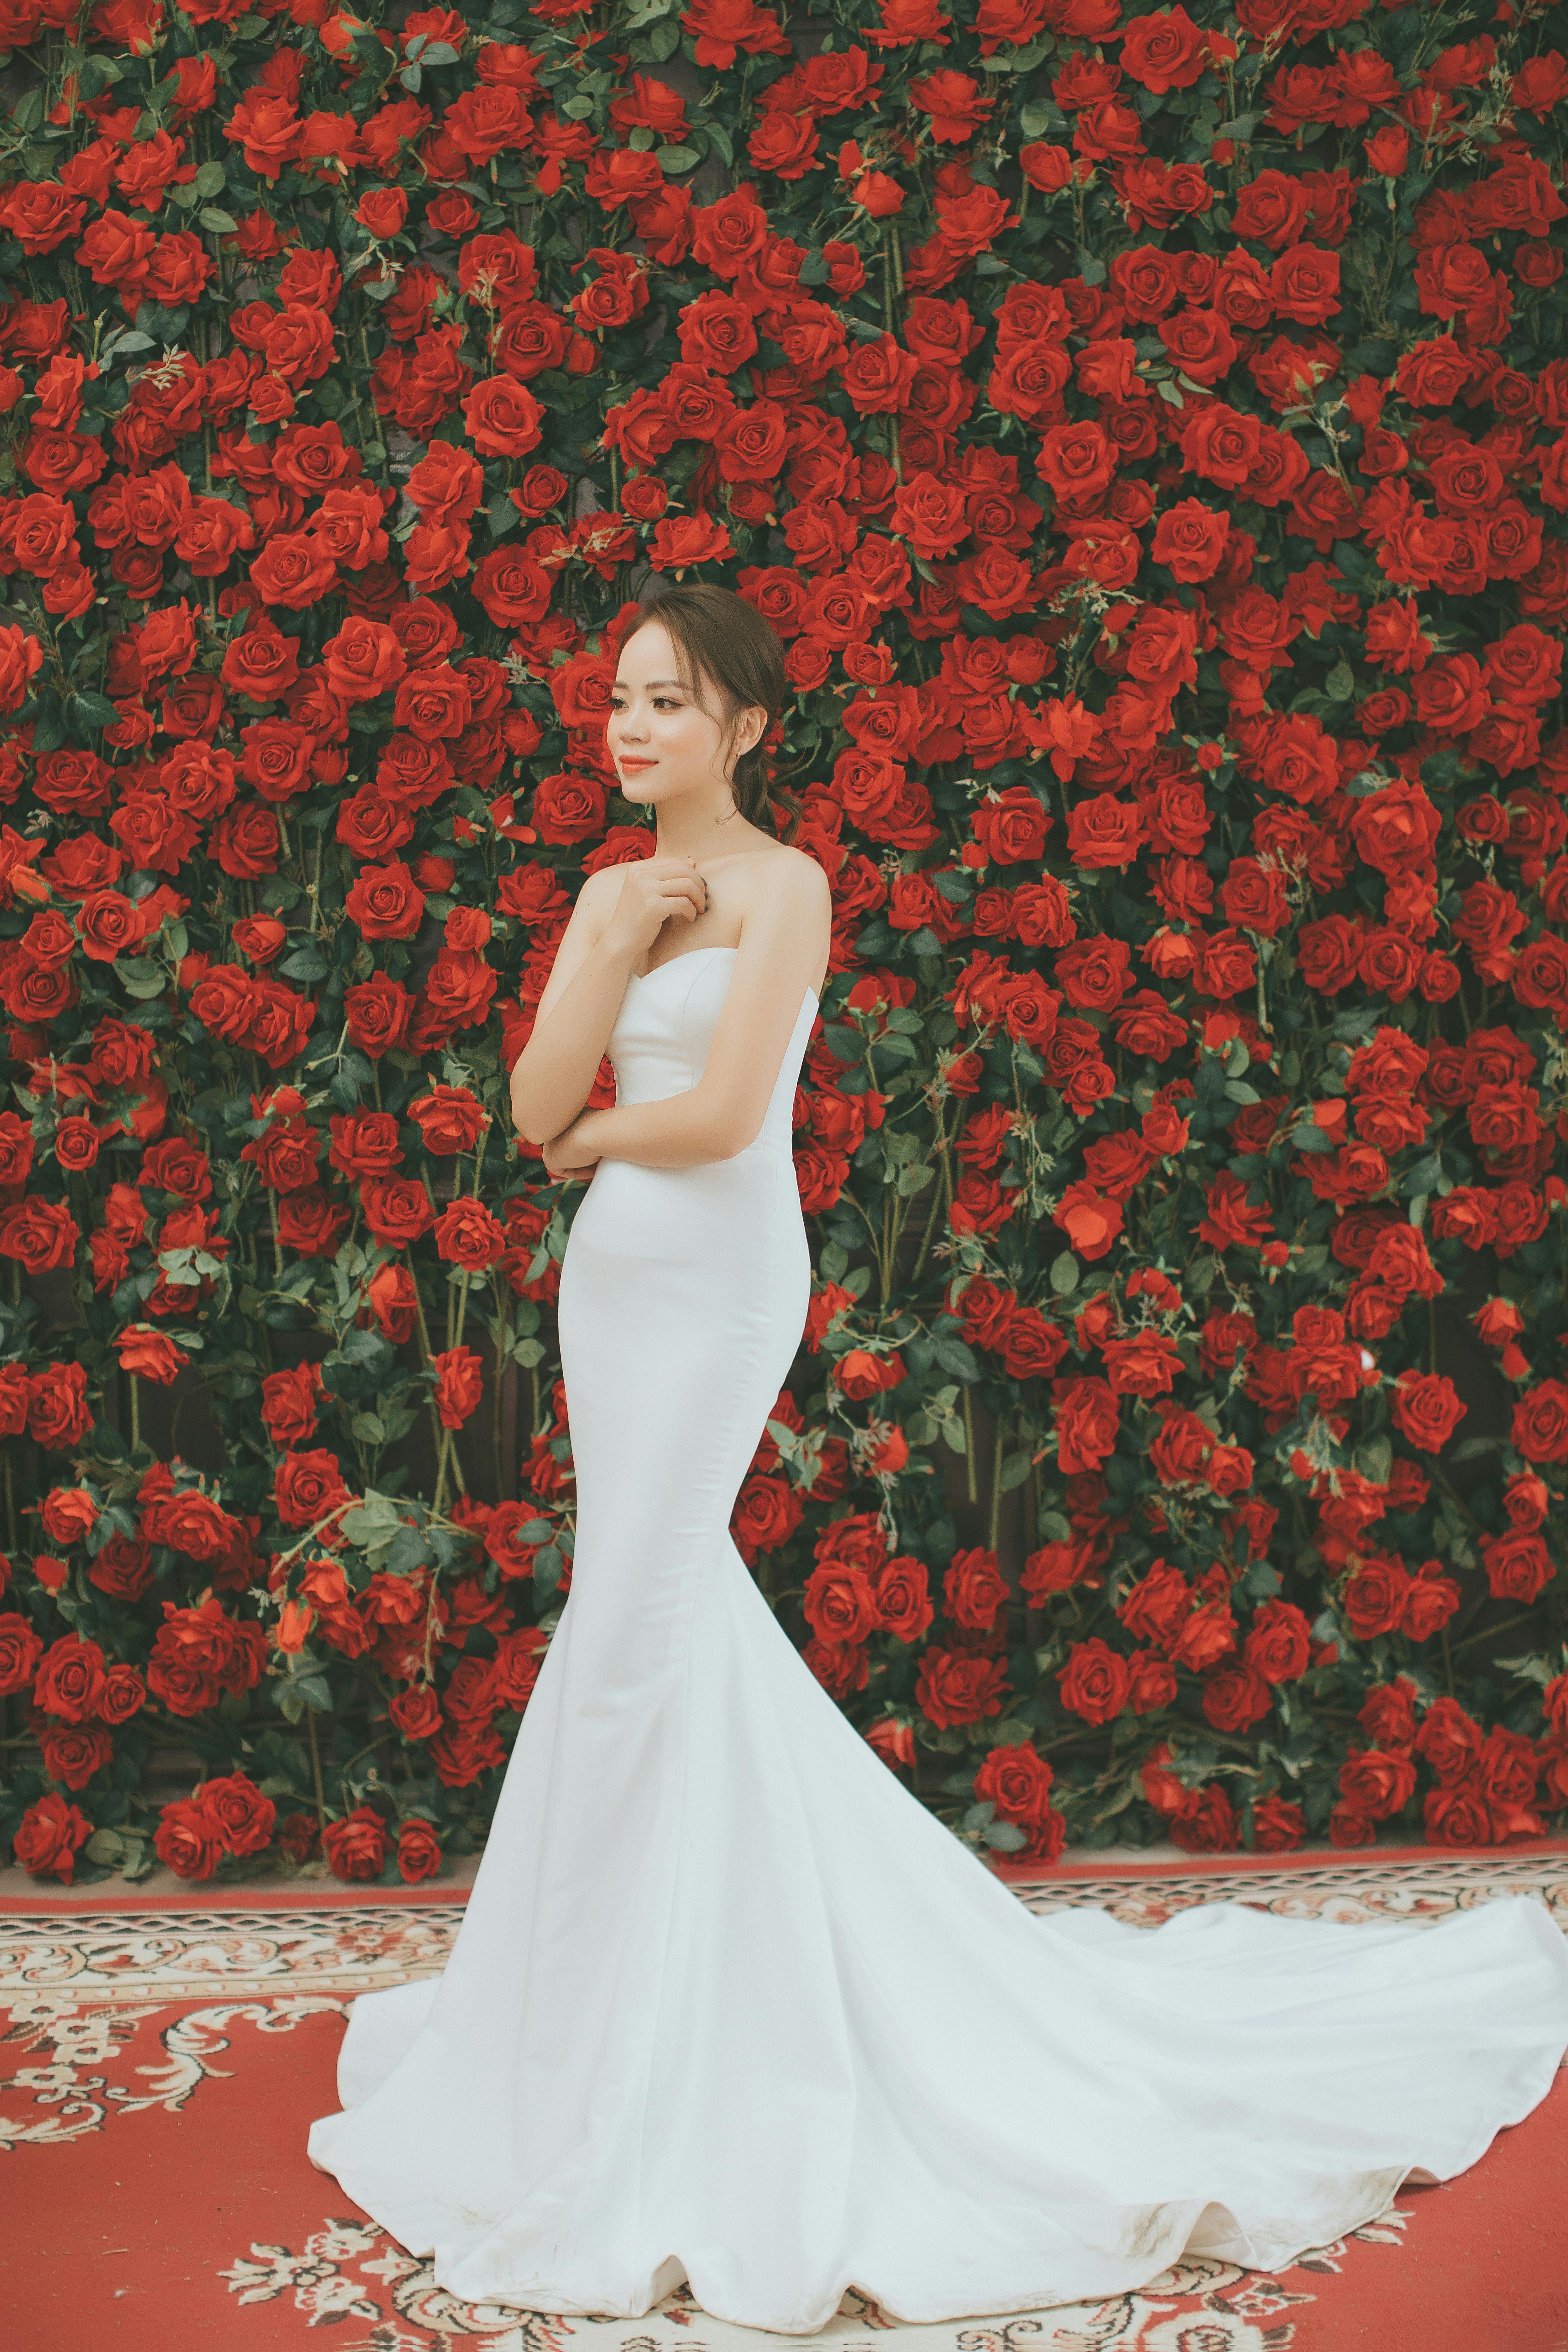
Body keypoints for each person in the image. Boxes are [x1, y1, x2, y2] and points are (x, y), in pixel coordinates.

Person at [307, 584, 1568, 2336]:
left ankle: (669, 2050)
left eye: (671, 704)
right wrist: (604, 950)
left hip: (724, 1283)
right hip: (617, 1292)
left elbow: (725, 1116)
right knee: (642, 1626)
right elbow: (522, 1110)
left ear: (747, 728)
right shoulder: (613, 892)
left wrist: (593, 1130)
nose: (632, 728)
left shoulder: (788, 885)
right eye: (617, 700)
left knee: (634, 1629)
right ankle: (621, 2022)